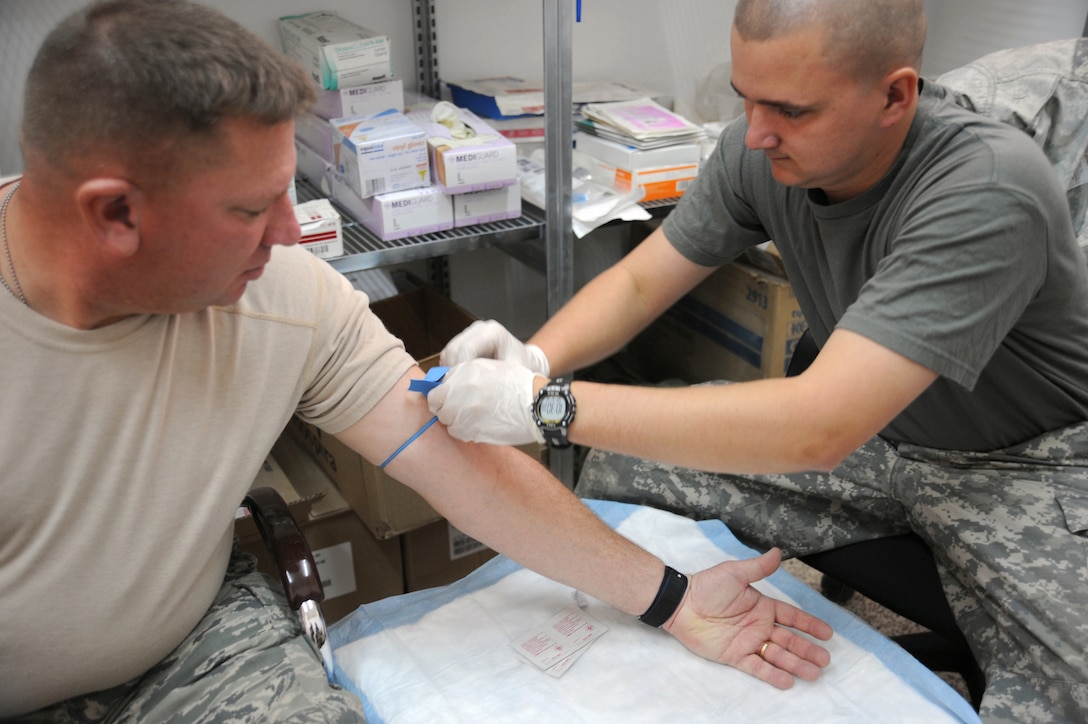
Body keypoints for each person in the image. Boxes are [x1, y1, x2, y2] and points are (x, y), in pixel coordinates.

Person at [0, 0, 841, 720]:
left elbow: (460, 469)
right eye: (253, 209)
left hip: (184, 645)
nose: (292, 237)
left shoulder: (285, 296)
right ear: (114, 214)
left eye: (287, 194)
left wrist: (676, 600)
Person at [428, 1, 1088, 722]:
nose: (756, 130)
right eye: (746, 99)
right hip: (882, 439)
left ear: (895, 95)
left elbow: (817, 428)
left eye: (791, 110)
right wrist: (535, 356)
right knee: (624, 469)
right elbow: (643, 280)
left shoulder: (987, 189)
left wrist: (544, 406)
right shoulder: (763, 150)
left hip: (1027, 468)